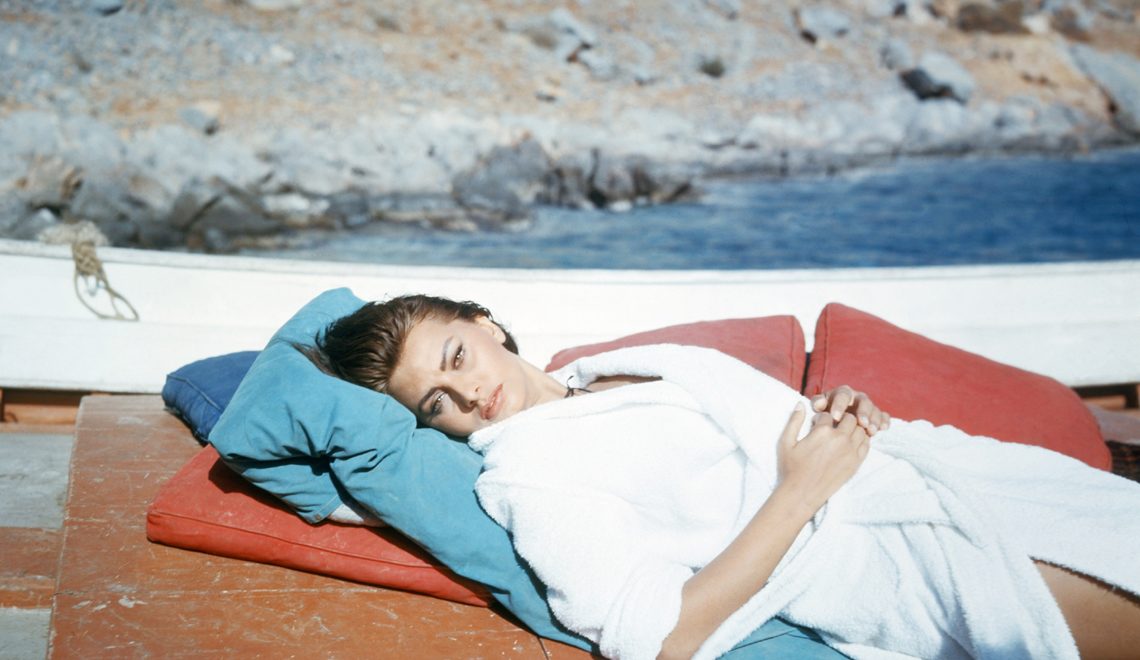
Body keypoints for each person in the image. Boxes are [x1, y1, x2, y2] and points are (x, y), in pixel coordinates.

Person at [305, 294, 1140, 660]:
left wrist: (836, 413)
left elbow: (761, 422)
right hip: (906, 559)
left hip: (949, 470)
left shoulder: (610, 369)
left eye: (456, 357)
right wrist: (802, 489)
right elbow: (655, 638)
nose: (467, 396)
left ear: (485, 324)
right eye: (437, 404)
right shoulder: (528, 480)